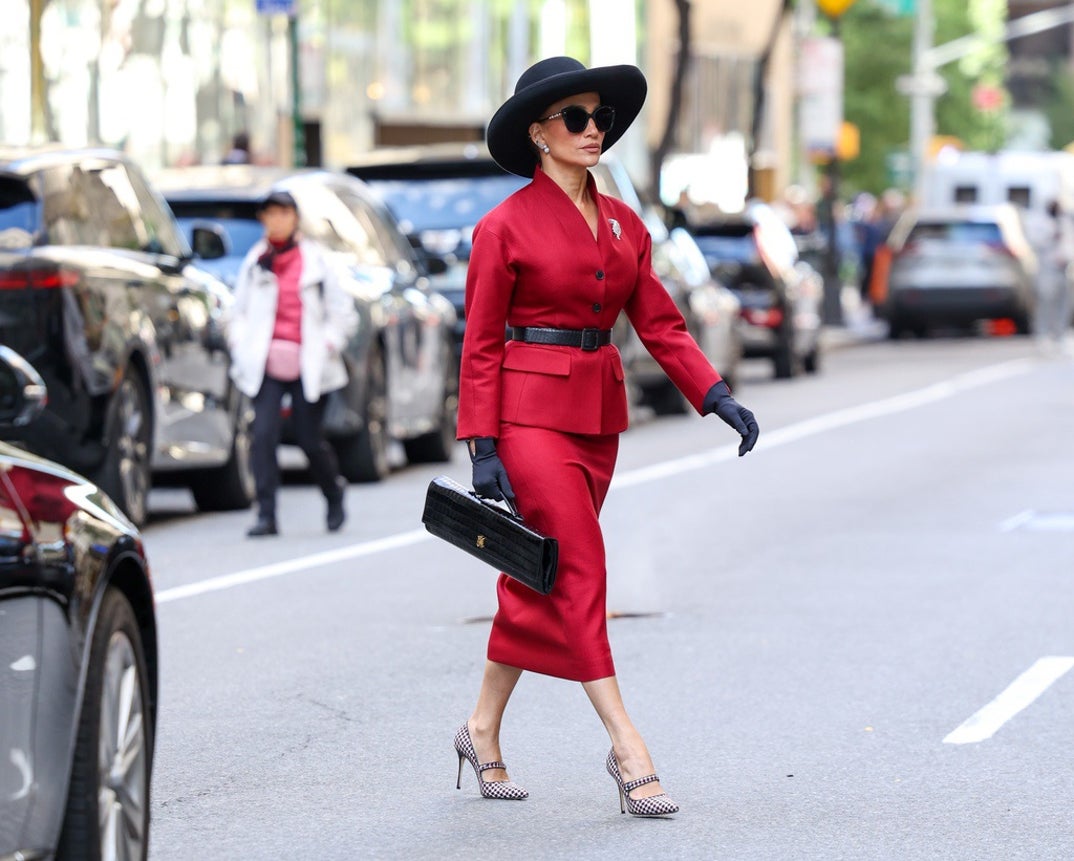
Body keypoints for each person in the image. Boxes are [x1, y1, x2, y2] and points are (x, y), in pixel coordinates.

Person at [453, 56, 759, 817]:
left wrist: (713, 392)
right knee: (582, 569)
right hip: (526, 418)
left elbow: (656, 319)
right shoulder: (503, 226)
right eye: (576, 119)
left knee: (536, 573)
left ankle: (480, 728)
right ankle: (628, 747)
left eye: (600, 118)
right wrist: (482, 445)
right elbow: (481, 342)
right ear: (538, 134)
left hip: (597, 422)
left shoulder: (625, 222)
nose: (595, 131)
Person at [228, 190, 358, 537]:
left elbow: (342, 312)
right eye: (271, 213)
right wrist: (241, 345)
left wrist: (330, 342)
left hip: (310, 361)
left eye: (284, 213)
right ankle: (266, 514)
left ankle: (333, 492)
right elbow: (237, 312)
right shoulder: (255, 261)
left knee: (308, 439)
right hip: (266, 363)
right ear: (263, 219)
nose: (278, 220)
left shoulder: (317, 260)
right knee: (263, 435)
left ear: (295, 218)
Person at [1033, 200, 1074, 352]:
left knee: (1064, 304)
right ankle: (1043, 336)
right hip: (1047, 269)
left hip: (1064, 268)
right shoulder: (1041, 223)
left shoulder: (1065, 222)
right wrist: (1051, 233)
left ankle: (1060, 336)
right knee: (1046, 303)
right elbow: (1037, 242)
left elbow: (1070, 242)